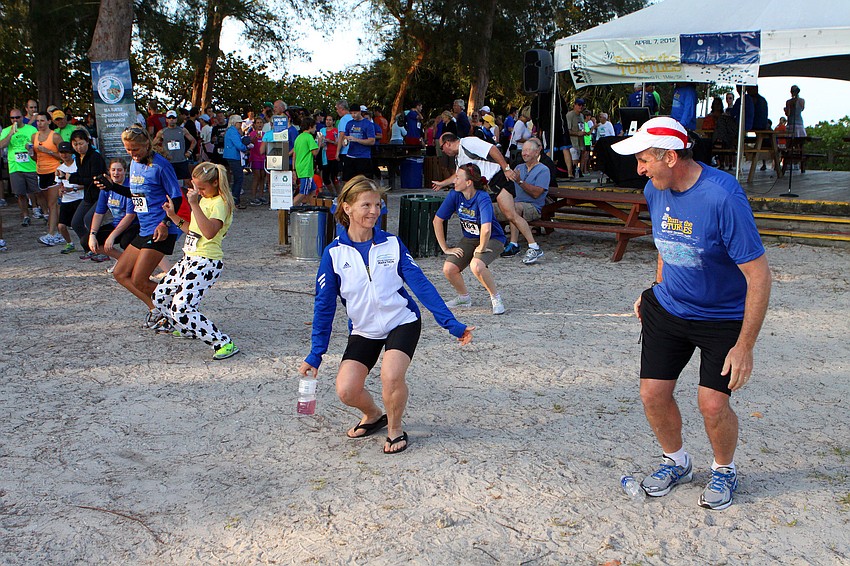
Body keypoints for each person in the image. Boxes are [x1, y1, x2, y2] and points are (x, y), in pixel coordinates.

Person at [612, 117, 771, 511]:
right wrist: (657, 287)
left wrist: (745, 345)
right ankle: (676, 460)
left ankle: (724, 469)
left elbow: (760, 274)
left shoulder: (722, 196)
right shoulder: (655, 188)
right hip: (670, 308)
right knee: (652, 394)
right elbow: (667, 244)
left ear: (670, 155)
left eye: (645, 159)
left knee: (713, 404)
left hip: (722, 318)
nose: (640, 169)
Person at [299, 176, 474, 454]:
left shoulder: (392, 244)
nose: (373, 211)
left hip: (401, 321)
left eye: (377, 204)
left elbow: (421, 286)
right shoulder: (333, 254)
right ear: (347, 208)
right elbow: (324, 306)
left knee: (391, 376)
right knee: (346, 390)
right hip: (364, 328)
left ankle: (395, 428)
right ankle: (373, 416)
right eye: (365, 204)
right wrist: (315, 354)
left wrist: (451, 323)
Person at [154, 162, 238, 361]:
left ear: (216, 182)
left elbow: (209, 232)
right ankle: (187, 328)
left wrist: (192, 204)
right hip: (190, 257)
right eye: (196, 187)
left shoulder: (220, 203)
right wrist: (173, 216)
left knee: (182, 307)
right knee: (160, 296)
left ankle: (223, 342)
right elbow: (193, 230)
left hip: (207, 260)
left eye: (202, 188)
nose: (198, 191)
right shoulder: (204, 201)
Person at [100, 126, 183, 327]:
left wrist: (165, 223)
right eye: (128, 150)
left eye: (135, 149)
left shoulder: (161, 166)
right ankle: (156, 309)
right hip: (144, 227)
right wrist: (114, 188)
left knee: (139, 279)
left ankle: (179, 308)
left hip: (160, 230)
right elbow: (137, 195)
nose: (132, 154)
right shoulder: (135, 164)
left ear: (147, 144)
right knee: (120, 273)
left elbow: (177, 198)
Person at [433, 163, 506, 315]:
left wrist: (482, 247)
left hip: (493, 237)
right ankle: (463, 297)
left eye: (458, 178)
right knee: (449, 268)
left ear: (468, 182)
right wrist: (445, 248)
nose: (454, 181)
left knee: (477, 265)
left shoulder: (482, 197)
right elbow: (437, 220)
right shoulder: (455, 195)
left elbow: (486, 228)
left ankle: (495, 297)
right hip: (470, 238)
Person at [498, 137, 548, 264]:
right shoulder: (519, 167)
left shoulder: (543, 170)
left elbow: (536, 194)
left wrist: (520, 181)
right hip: (516, 204)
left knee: (514, 208)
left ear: (537, 152)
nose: (524, 153)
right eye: (523, 150)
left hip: (533, 207)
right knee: (487, 207)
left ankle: (521, 244)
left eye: (528, 151)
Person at [88, 158, 139, 266]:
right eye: (113, 170)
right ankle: (124, 261)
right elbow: (99, 213)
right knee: (88, 242)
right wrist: (92, 235)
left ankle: (131, 263)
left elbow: (130, 216)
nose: (116, 173)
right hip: (116, 223)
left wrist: (112, 236)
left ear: (125, 171)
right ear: (109, 171)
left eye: (119, 170)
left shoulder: (129, 187)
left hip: (133, 224)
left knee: (125, 242)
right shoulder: (105, 189)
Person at [68, 129, 107, 257]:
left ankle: (101, 249)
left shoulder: (95, 157)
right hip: (88, 196)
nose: (78, 147)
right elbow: (81, 175)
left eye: (81, 143)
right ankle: (89, 247)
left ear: (88, 142)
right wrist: (66, 176)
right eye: (75, 144)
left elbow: (92, 179)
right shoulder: (78, 158)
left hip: (100, 195)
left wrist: (71, 178)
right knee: (75, 222)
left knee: (89, 219)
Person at [31, 112, 65, 246]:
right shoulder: (34, 136)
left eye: (42, 121)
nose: (40, 123)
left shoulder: (55, 136)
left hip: (54, 171)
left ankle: (51, 233)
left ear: (49, 122)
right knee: (48, 204)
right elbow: (34, 157)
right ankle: (58, 231)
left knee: (52, 204)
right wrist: (30, 152)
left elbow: (64, 155)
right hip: (41, 171)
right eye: (38, 121)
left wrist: (48, 151)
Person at [0, 108, 38, 227]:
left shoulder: (31, 129)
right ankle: (25, 215)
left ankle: (41, 211)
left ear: (23, 117)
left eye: (17, 117)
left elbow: (36, 144)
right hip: (15, 166)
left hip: (30, 165)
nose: (15, 120)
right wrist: (11, 133)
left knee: (37, 191)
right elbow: (2, 145)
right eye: (13, 118)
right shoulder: (7, 130)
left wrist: (31, 149)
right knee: (20, 193)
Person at [54, 141, 85, 254]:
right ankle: (69, 243)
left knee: (79, 224)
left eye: (66, 152)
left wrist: (73, 189)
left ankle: (87, 244)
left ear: (71, 152)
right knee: (61, 226)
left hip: (79, 198)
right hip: (66, 200)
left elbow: (86, 184)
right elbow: (59, 184)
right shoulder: (59, 168)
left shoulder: (78, 165)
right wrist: (61, 190)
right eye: (62, 152)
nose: (64, 155)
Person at [341, 104, 375, 181]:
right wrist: (345, 142)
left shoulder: (368, 124)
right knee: (348, 180)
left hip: (363, 156)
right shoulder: (349, 124)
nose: (353, 115)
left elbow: (372, 141)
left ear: (360, 112)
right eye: (351, 113)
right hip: (350, 155)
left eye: (355, 113)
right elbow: (345, 137)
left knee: (364, 181)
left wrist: (356, 140)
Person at [293, 115, 320, 206]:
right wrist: (319, 143)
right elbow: (315, 152)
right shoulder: (309, 137)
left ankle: (311, 207)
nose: (315, 128)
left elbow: (295, 153)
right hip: (306, 168)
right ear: (310, 126)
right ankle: (289, 207)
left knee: (313, 189)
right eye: (314, 126)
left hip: (300, 166)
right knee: (303, 192)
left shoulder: (299, 137)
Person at [223, 114, 249, 208]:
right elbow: (239, 145)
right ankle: (235, 201)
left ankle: (234, 199)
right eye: (239, 122)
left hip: (231, 156)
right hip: (234, 156)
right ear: (235, 123)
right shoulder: (233, 132)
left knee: (237, 178)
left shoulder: (230, 131)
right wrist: (246, 148)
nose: (240, 124)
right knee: (239, 178)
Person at [247, 116, 267, 205]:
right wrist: (253, 139)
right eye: (257, 123)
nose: (259, 124)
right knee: (257, 177)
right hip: (255, 158)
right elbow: (250, 144)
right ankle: (253, 196)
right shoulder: (252, 134)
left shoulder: (265, 134)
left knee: (263, 177)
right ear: (254, 124)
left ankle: (261, 195)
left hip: (263, 158)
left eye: (261, 123)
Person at [564, 98, 586, 178]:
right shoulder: (570, 115)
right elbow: (567, 130)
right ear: (575, 105)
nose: (581, 107)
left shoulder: (581, 116)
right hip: (572, 142)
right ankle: (571, 173)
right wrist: (577, 133)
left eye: (582, 105)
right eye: (579, 105)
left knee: (580, 158)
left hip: (580, 142)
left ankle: (577, 171)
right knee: (574, 158)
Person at [320, 114, 340, 194]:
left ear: (333, 121)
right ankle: (332, 193)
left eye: (330, 120)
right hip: (325, 156)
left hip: (334, 156)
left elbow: (338, 143)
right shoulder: (322, 130)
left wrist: (330, 141)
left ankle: (339, 194)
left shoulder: (336, 131)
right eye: (327, 120)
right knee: (325, 177)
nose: (328, 121)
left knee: (334, 177)